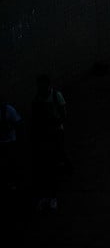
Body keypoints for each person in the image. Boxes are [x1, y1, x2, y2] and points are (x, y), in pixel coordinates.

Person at [29, 75, 67, 212]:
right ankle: (48, 196)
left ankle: (50, 196)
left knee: (50, 166)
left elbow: (63, 114)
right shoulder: (38, 100)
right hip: (44, 137)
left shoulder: (53, 96)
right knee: (45, 167)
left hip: (52, 134)